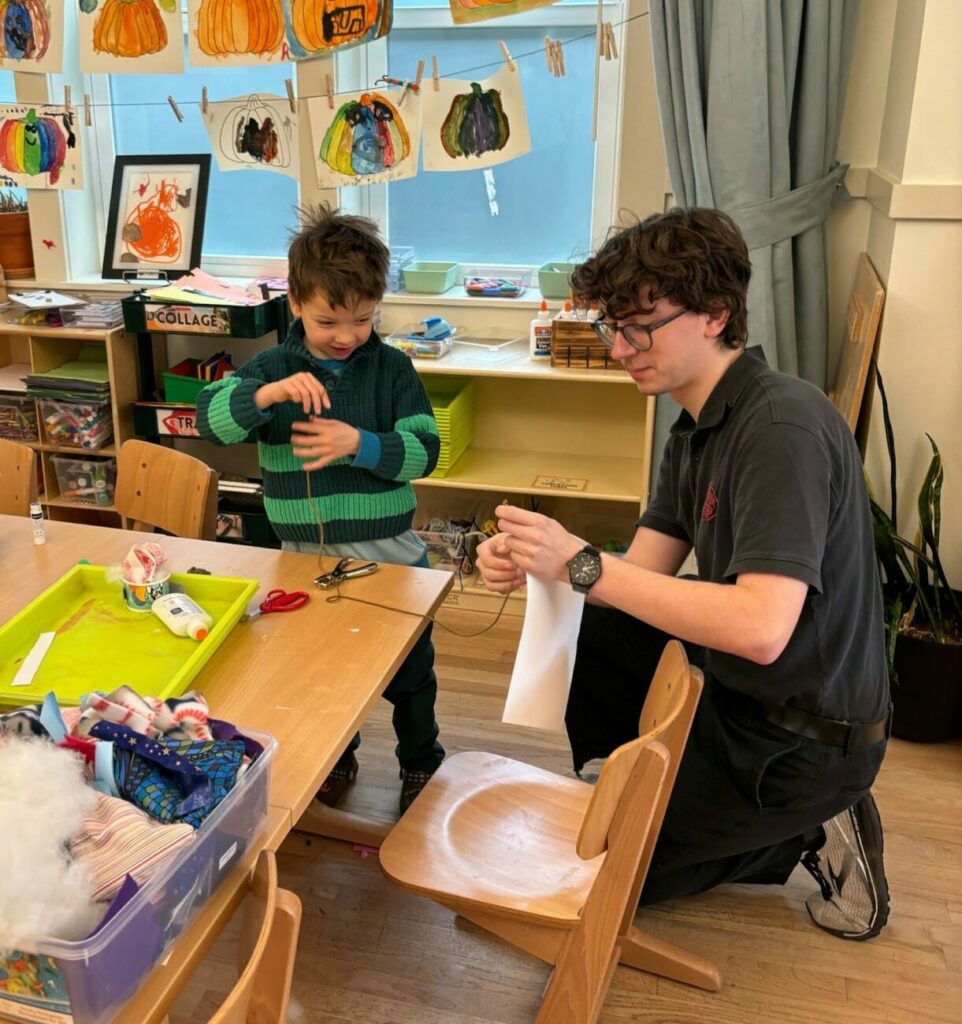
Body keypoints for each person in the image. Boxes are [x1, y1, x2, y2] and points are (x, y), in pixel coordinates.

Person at [476, 208, 891, 940]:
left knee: (598, 873)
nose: (622, 347)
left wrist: (579, 561)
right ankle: (626, 781)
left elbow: (762, 629)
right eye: (614, 326)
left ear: (715, 315)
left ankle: (798, 832)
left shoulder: (779, 428)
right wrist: (540, 566)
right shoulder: (693, 424)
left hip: (801, 741)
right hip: (736, 692)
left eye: (642, 325)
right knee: (593, 617)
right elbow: (634, 579)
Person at [197, 204, 444, 814]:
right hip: (304, 561)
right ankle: (340, 756)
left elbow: (426, 452)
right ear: (296, 305)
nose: (346, 334)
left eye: (363, 319)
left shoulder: (392, 369)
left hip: (391, 562)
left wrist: (359, 444)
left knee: (411, 678)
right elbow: (211, 419)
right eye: (329, 319)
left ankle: (422, 762)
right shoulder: (274, 368)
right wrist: (266, 395)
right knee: (327, 676)